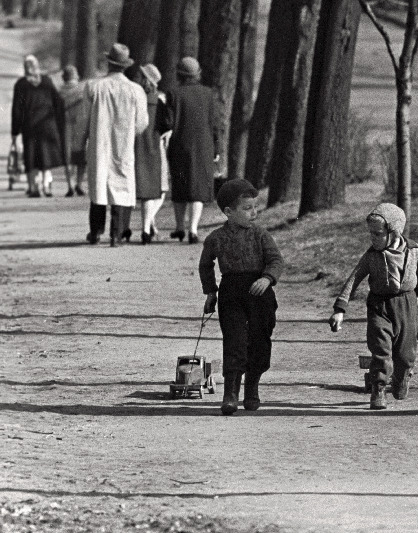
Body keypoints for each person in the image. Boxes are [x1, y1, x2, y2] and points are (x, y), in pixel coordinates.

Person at [328, 203, 418, 410]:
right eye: (371, 233)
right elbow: (354, 278)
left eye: (378, 234)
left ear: (393, 232)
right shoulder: (372, 256)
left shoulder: (414, 250)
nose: (373, 238)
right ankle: (378, 389)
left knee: (405, 354)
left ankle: (401, 378)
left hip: (406, 305)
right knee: (380, 350)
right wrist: (340, 309)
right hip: (379, 305)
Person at [199, 179, 284, 415]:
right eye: (247, 209)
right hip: (231, 293)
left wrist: (267, 278)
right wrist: (210, 292)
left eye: (255, 207)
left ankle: (252, 387)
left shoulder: (261, 235)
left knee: (260, 340)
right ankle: (230, 393)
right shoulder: (216, 238)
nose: (254, 213)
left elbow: (276, 260)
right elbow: (206, 265)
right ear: (228, 212)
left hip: (260, 293)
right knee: (234, 340)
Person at [83, 43, 148, 246]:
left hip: (99, 144)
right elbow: (141, 123)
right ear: (125, 66)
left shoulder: (94, 87)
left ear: (108, 63)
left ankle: (95, 231)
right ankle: (116, 233)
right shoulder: (136, 90)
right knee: (121, 185)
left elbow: (86, 117)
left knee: (99, 186)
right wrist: (128, 132)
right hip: (123, 143)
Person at [164, 56, 217, 244]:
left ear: (179, 74)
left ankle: (179, 227)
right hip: (203, 146)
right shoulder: (208, 94)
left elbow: (168, 123)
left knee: (180, 186)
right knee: (198, 188)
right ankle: (193, 230)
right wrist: (216, 148)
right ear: (198, 74)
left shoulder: (173, 94)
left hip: (179, 145)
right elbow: (214, 124)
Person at [11, 55, 66, 197]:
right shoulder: (47, 81)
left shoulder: (21, 84)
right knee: (45, 157)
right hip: (47, 125)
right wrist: (59, 124)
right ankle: (47, 186)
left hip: (30, 126)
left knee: (31, 157)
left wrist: (15, 131)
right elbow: (58, 103)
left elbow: (16, 110)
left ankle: (34, 187)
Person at [128, 63, 167, 244]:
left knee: (135, 189)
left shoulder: (134, 97)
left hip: (135, 145)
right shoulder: (159, 101)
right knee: (153, 192)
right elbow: (167, 125)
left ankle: (125, 228)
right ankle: (145, 227)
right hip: (154, 146)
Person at [59, 65, 88, 197]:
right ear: (76, 76)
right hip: (81, 126)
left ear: (64, 77)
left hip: (66, 126)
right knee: (81, 157)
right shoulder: (83, 90)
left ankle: (70, 184)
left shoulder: (59, 93)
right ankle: (79, 184)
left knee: (68, 157)